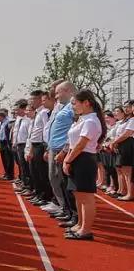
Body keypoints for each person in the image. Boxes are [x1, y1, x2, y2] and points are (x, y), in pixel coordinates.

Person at [61, 89, 105, 240]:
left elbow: (81, 144)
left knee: (86, 196)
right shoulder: (82, 119)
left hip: (84, 159)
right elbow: (73, 143)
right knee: (78, 195)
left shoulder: (91, 121)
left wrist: (68, 160)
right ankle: (80, 224)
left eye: (75, 103)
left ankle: (86, 230)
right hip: (77, 158)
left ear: (86, 103)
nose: (73, 107)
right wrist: (68, 158)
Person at [43, 81, 77, 224]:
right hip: (54, 148)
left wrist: (64, 150)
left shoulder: (73, 107)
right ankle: (65, 209)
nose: (55, 96)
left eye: (58, 92)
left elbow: (75, 130)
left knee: (66, 184)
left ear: (67, 90)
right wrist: (49, 147)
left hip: (63, 149)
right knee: (57, 181)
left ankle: (73, 214)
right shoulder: (62, 107)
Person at [0, 109, 14, 180]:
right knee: (4, 159)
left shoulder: (9, 121)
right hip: (1, 142)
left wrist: (10, 143)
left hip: (7, 142)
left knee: (9, 159)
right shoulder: (0, 123)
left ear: (1, 116)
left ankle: (10, 175)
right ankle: (6, 173)